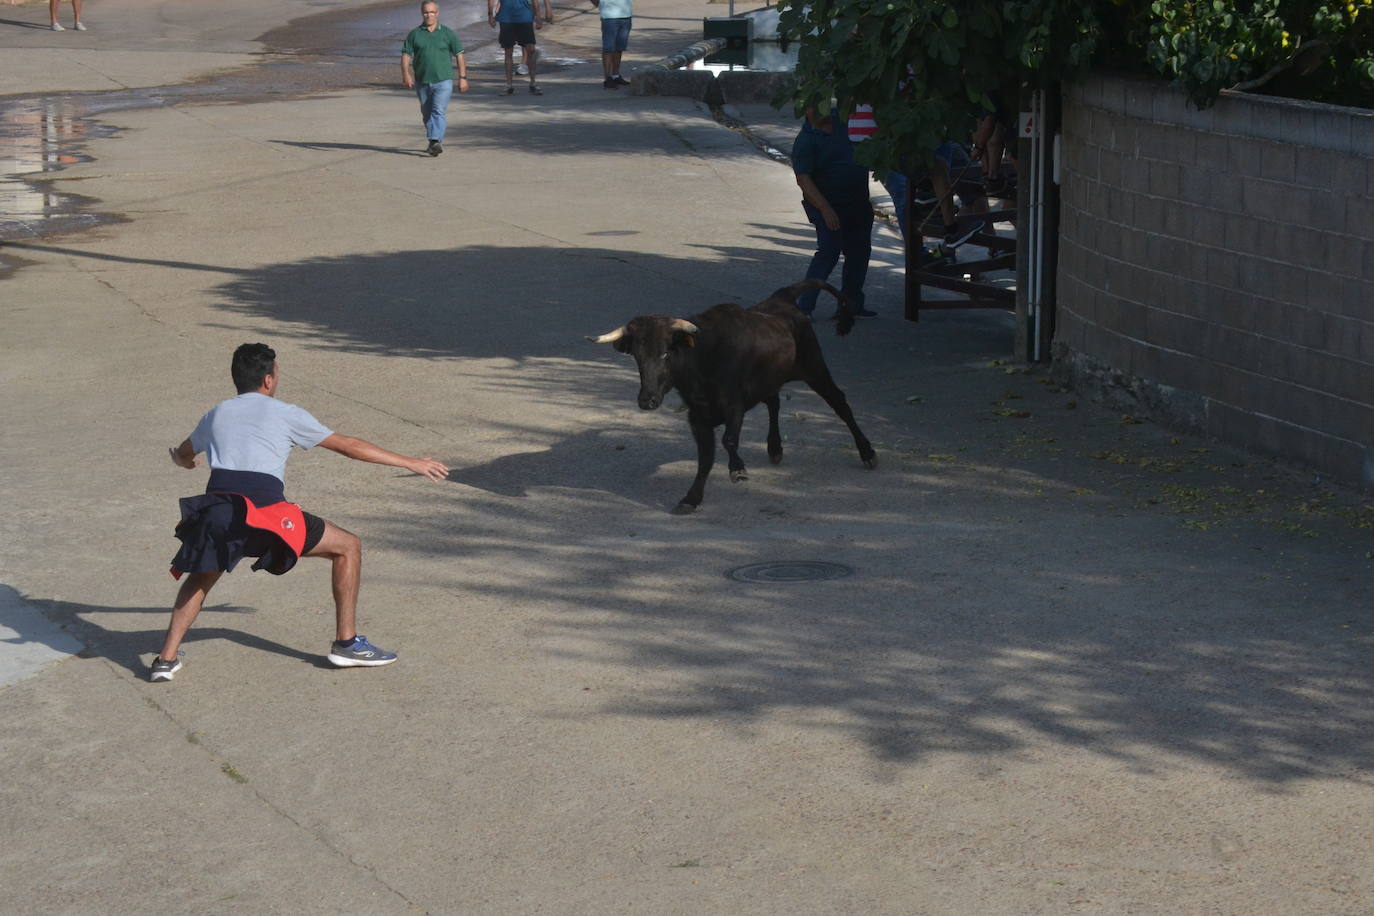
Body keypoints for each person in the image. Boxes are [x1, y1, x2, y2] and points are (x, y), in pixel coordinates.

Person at [152, 343, 450, 682]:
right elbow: (348, 446)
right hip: (265, 516)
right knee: (347, 546)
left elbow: (184, 453)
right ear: (268, 380)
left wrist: (184, 461)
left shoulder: (215, 414)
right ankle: (347, 644)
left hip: (218, 513)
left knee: (202, 577)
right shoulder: (284, 413)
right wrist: (411, 462)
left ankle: (165, 660)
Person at [791, 105, 877, 318]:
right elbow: (803, 180)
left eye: (824, 103)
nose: (823, 109)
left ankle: (851, 304)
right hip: (828, 207)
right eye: (815, 105)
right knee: (828, 252)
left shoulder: (845, 123)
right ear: (806, 111)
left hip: (858, 203)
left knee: (859, 253)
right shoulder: (806, 140)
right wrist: (825, 209)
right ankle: (804, 308)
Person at [401, 1, 469, 157]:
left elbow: (459, 55)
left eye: (432, 12)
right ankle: (434, 140)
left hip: (443, 80)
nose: (429, 15)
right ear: (422, 13)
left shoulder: (447, 33)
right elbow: (406, 55)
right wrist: (406, 74)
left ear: (437, 13)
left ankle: (435, 141)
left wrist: (463, 77)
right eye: (426, 12)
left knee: (438, 111)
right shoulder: (414, 34)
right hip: (422, 81)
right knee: (427, 114)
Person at [489, 0, 552, 95]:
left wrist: (538, 17)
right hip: (506, 18)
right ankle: (509, 85)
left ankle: (533, 83)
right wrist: (490, 15)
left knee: (531, 50)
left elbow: (535, 1)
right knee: (508, 51)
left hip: (525, 17)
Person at [590, 0, 632, 90]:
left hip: (626, 15)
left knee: (619, 48)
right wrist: (600, 5)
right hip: (609, 17)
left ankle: (615, 75)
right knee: (608, 48)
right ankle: (608, 78)